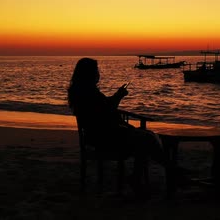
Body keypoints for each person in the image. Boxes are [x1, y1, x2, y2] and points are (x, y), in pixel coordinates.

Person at [67, 57, 167, 189]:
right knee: (146, 138)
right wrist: (119, 96)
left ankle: (160, 171)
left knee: (147, 136)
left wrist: (117, 97)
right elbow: (104, 111)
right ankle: (168, 169)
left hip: (100, 135)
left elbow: (104, 108)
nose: (98, 73)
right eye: (96, 70)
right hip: (104, 137)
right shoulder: (88, 93)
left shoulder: (82, 91)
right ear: (89, 73)